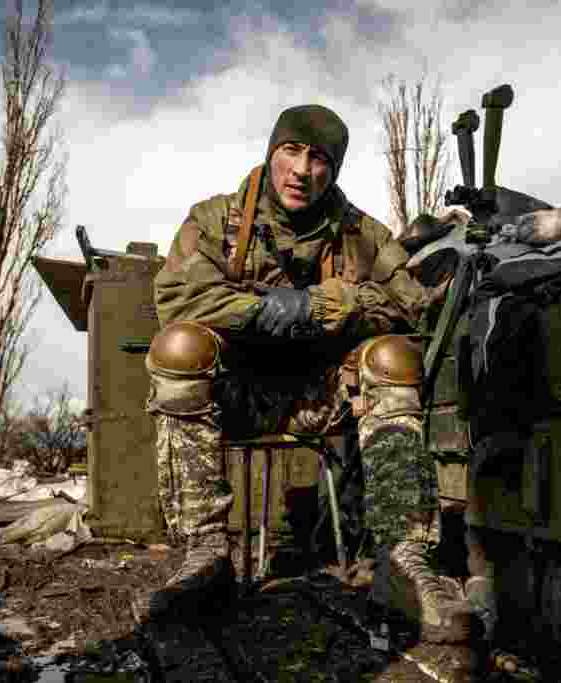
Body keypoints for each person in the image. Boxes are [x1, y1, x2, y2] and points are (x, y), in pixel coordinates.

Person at [134, 103, 476, 645]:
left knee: (392, 357)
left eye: (318, 158)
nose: (301, 169)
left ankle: (402, 560)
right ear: (272, 154)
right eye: (290, 151)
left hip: (323, 395)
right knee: (178, 347)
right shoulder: (212, 220)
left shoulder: (363, 233)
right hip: (235, 395)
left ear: (332, 170)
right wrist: (306, 308)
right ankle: (204, 556)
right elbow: (181, 299)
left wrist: (355, 305)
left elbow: (412, 307)